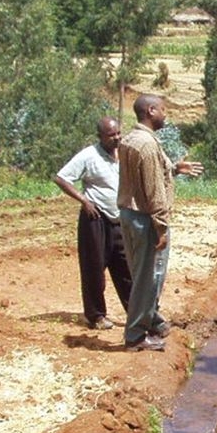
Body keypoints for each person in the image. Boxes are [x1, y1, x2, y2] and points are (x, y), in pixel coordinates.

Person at [117, 94, 203, 352]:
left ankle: (152, 320)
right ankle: (135, 336)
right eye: (163, 110)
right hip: (146, 219)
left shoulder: (131, 139)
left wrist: (175, 168)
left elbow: (149, 173)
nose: (166, 114)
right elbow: (154, 191)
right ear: (151, 111)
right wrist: (161, 227)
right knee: (149, 278)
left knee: (142, 273)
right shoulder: (147, 145)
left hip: (129, 214)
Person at [54, 116, 133, 330]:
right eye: (111, 135)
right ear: (100, 137)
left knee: (125, 267)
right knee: (94, 268)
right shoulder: (88, 156)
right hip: (95, 219)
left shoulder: (123, 152)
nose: (116, 138)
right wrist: (84, 200)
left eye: (118, 133)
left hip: (119, 218)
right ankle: (96, 315)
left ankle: (135, 313)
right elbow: (61, 178)